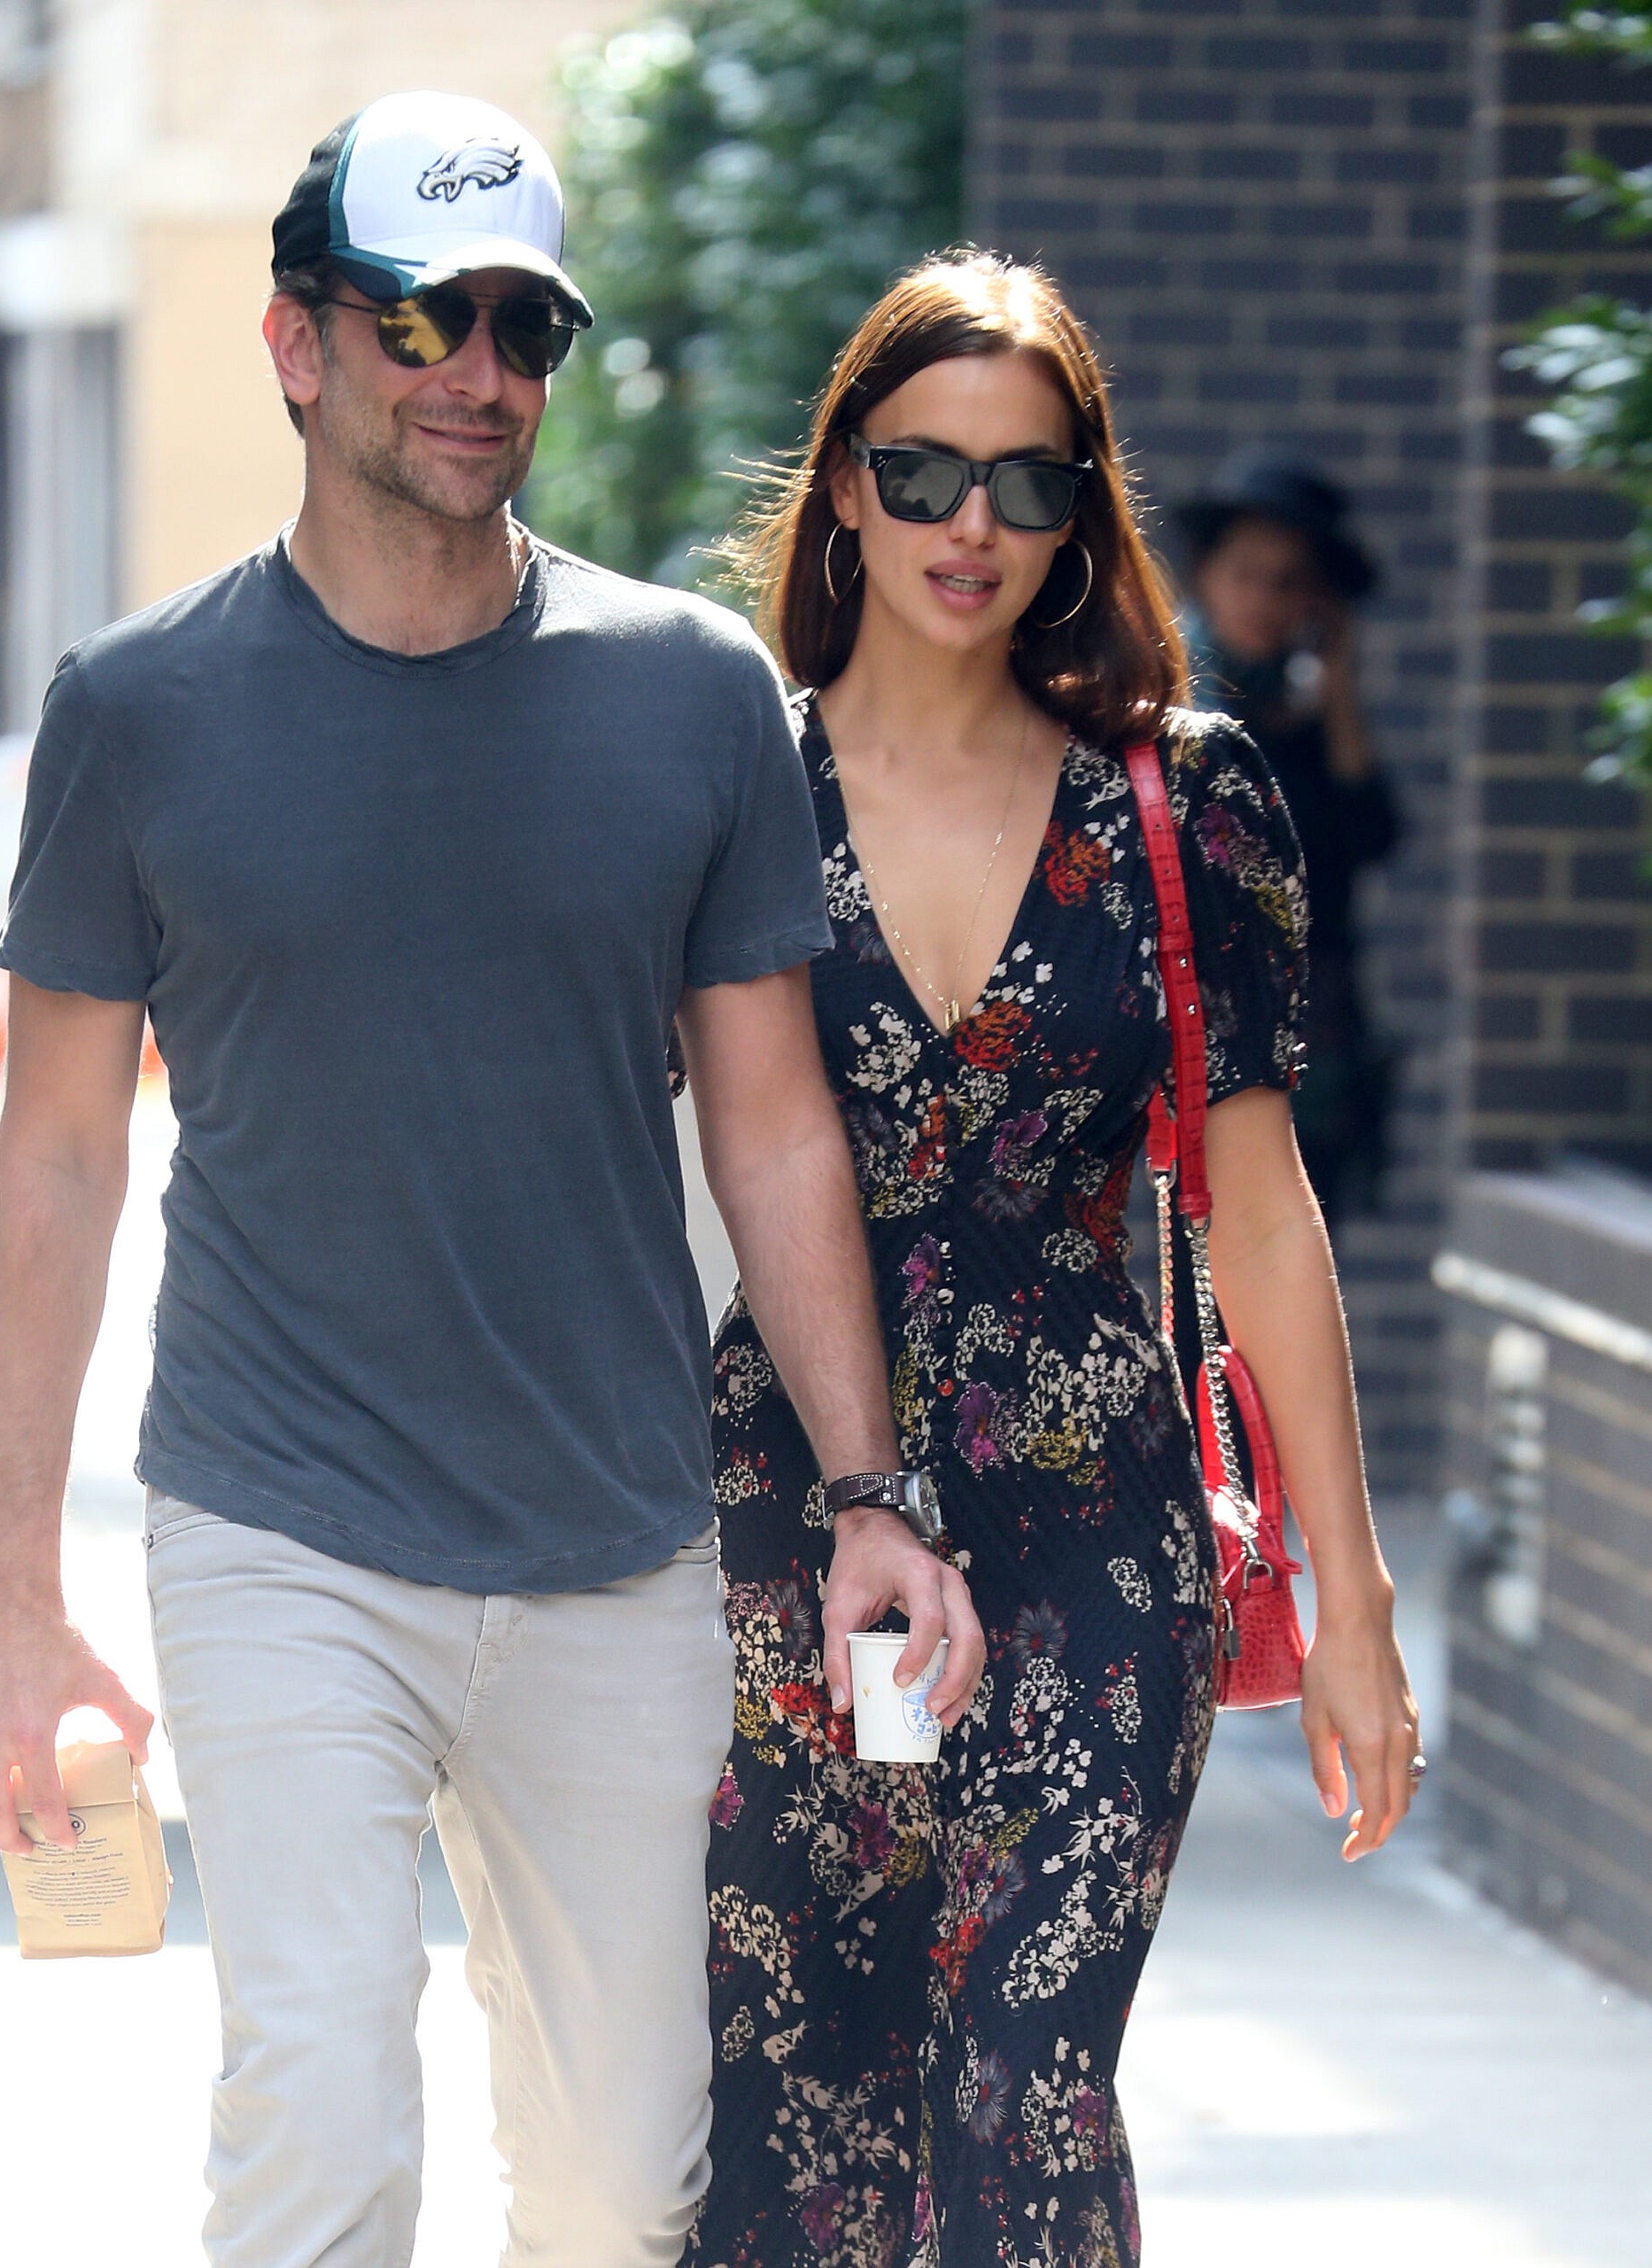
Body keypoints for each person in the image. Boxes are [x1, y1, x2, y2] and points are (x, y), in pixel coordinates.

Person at [0, 91, 981, 2268]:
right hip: (276, 1516)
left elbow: (771, 1117)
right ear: (294, 344)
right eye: (416, 318)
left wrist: (875, 1490)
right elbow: (53, 1160)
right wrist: (12, 1585)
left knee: (613, 2184)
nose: (473, 372)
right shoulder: (136, 709)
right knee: (319, 2122)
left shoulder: (690, 697)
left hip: (613, 1534)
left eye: (519, 325)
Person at [690, 252, 1423, 2268]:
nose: (970, 529)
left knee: (1022, 2076)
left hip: (1099, 1528)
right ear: (842, 485)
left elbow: (1259, 1211)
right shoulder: (721, 773)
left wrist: (1346, 1596)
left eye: (1026, 483)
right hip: (780, 1520)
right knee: (798, 2099)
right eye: (922, 475)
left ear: (1082, 507)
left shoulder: (1182, 800)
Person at [1175, 454, 1401, 1222]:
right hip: (1185, 1024)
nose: (1263, 600)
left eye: (1286, 582)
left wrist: (1339, 683)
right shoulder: (1164, 707)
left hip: (1307, 1031)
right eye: (1246, 574)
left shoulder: (1314, 731)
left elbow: (1372, 836)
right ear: (1206, 574)